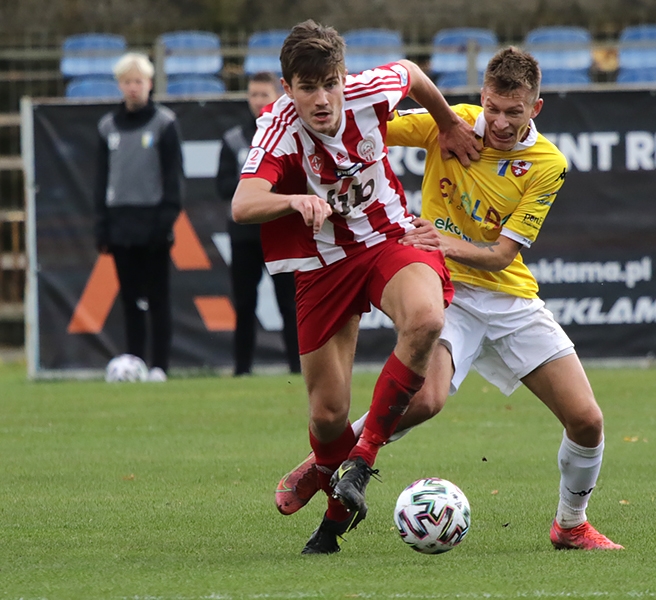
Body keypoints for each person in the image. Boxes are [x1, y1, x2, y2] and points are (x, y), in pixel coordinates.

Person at [275, 47, 623, 551]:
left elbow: (502, 255)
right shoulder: (452, 123)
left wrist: (441, 239)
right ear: (481, 97)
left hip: (509, 300)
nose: (499, 123)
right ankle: (328, 460)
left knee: (588, 421)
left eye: (513, 112)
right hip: (446, 291)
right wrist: (304, 107)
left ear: (536, 109)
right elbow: (367, 122)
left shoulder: (548, 164)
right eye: (492, 108)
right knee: (426, 401)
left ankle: (570, 525)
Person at [231, 20, 481, 555]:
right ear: (287, 88)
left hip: (387, 239)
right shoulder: (277, 128)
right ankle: (328, 470)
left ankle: (359, 463)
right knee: (326, 414)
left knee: (426, 319)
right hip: (323, 265)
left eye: (331, 83)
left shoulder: (369, 90)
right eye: (307, 87)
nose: (322, 99)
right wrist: (292, 200)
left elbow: (411, 73)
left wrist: (449, 124)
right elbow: (243, 204)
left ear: (344, 76)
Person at [94, 52, 184, 382]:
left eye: (139, 82)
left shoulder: (164, 123)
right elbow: (102, 180)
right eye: (127, 82)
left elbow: (174, 179)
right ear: (120, 85)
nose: (133, 88)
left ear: (149, 84)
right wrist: (102, 226)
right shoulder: (107, 127)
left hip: (154, 224)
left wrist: (165, 221)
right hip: (120, 225)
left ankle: (160, 366)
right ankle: (135, 361)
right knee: (130, 300)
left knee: (158, 297)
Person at [216, 71, 301, 376]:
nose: (257, 101)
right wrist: (255, 184)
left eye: (263, 95)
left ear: (277, 96)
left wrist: (265, 190)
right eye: (253, 95)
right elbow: (223, 185)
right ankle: (242, 370)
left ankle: (297, 367)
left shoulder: (287, 135)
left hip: (279, 230)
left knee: (290, 304)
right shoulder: (234, 138)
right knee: (244, 304)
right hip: (243, 235)